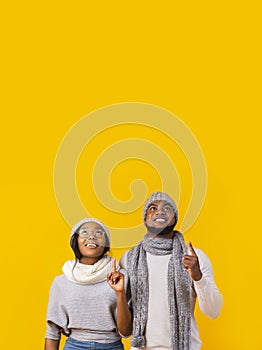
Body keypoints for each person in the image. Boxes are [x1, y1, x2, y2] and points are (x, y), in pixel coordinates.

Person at [120, 191, 223, 350]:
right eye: (153, 208)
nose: (159, 211)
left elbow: (213, 311)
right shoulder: (129, 258)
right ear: (145, 217)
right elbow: (124, 325)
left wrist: (198, 277)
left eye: (167, 208)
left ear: (175, 218)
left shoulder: (194, 257)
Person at [44, 218, 132, 350]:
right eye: (84, 232)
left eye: (99, 233)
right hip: (75, 346)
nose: (92, 236)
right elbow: (52, 332)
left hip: (112, 346)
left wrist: (119, 293)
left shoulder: (120, 278)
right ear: (75, 241)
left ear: (106, 243)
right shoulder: (61, 282)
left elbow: (126, 332)